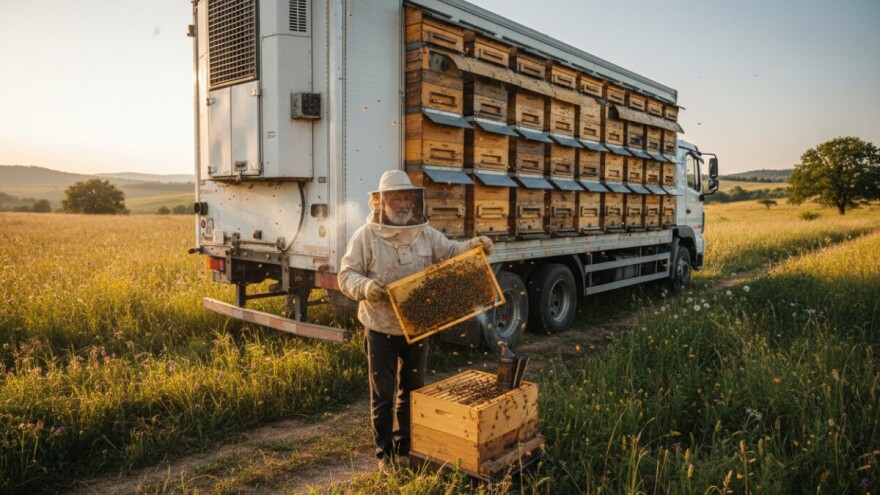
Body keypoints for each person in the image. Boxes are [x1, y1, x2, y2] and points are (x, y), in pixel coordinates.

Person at [338, 170, 493, 469]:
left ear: (414, 199)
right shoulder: (365, 236)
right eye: (395, 197)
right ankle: (384, 454)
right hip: (380, 327)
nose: (402, 203)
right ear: (380, 202)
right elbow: (346, 276)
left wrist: (473, 245)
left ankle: (406, 447)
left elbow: (450, 252)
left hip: (417, 327)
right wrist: (366, 288)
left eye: (406, 196)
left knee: (413, 389)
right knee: (382, 395)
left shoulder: (424, 232)